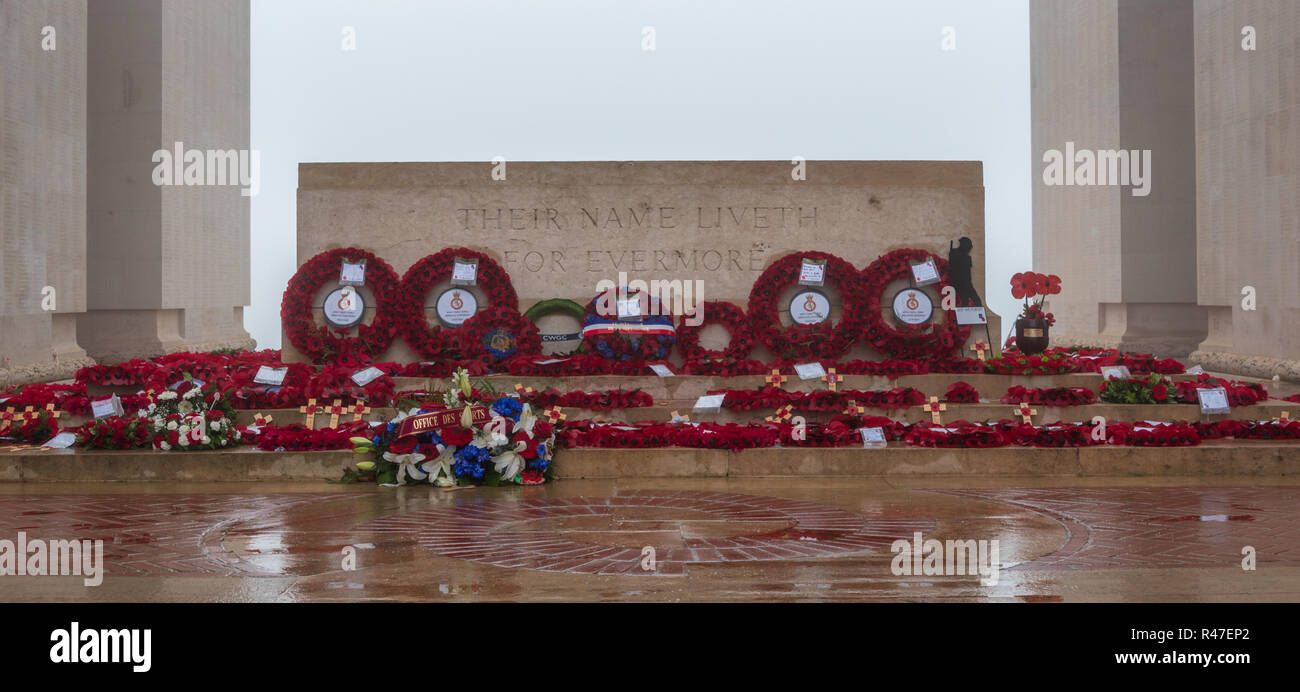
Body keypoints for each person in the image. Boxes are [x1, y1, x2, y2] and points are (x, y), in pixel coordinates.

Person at [947, 237, 982, 307]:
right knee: (965, 300)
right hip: (957, 282)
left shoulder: (967, 257)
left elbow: (967, 272)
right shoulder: (954, 253)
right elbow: (952, 268)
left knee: (973, 300)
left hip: (965, 282)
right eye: (968, 247)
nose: (969, 249)